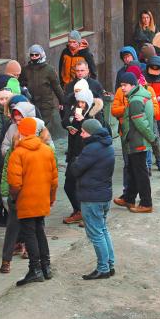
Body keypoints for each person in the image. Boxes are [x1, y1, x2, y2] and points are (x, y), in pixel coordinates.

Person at [8, 117, 59, 286]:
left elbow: (15, 184)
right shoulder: (47, 150)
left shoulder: (18, 153)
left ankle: (35, 269)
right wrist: (51, 198)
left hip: (26, 200)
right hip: (42, 199)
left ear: (21, 131)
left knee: (29, 234)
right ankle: (46, 267)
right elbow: (54, 180)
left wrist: (14, 198)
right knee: (39, 231)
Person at [69, 119, 116, 280]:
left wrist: (75, 160)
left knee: (96, 234)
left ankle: (103, 268)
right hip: (103, 195)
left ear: (91, 133)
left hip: (91, 197)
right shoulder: (107, 145)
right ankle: (109, 264)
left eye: (83, 132)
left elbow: (76, 169)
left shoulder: (92, 149)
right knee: (103, 230)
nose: (81, 134)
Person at [113, 72, 156, 213]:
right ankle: (129, 198)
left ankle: (146, 203)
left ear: (133, 85)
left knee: (140, 172)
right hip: (135, 140)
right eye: (121, 85)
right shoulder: (138, 95)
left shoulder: (135, 101)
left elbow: (141, 124)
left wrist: (152, 139)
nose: (122, 88)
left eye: (125, 85)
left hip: (138, 141)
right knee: (133, 170)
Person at [61, 88, 98, 224]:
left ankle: (84, 213)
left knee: (80, 185)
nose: (81, 105)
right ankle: (79, 210)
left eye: (83, 102)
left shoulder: (93, 115)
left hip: (84, 155)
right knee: (69, 185)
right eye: (79, 102)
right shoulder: (74, 109)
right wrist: (70, 126)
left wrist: (83, 121)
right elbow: (65, 121)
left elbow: (95, 134)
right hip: (73, 153)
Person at [20, 44, 65, 127]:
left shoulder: (49, 69)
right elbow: (21, 84)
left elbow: (56, 87)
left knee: (42, 125)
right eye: (32, 55)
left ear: (41, 55)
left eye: (36, 55)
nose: (34, 57)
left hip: (45, 103)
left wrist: (62, 101)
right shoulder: (25, 70)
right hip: (30, 103)